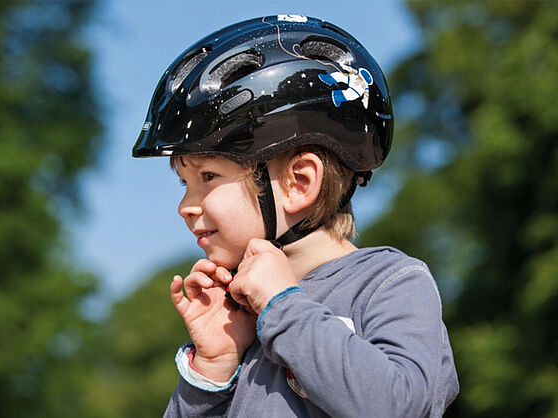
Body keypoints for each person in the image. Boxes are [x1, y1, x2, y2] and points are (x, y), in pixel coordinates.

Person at [132, 15, 459, 417]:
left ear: (298, 183)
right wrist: (213, 369)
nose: (186, 206)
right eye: (184, 183)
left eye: (208, 176)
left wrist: (283, 304)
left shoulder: (388, 284)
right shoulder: (241, 313)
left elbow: (401, 406)